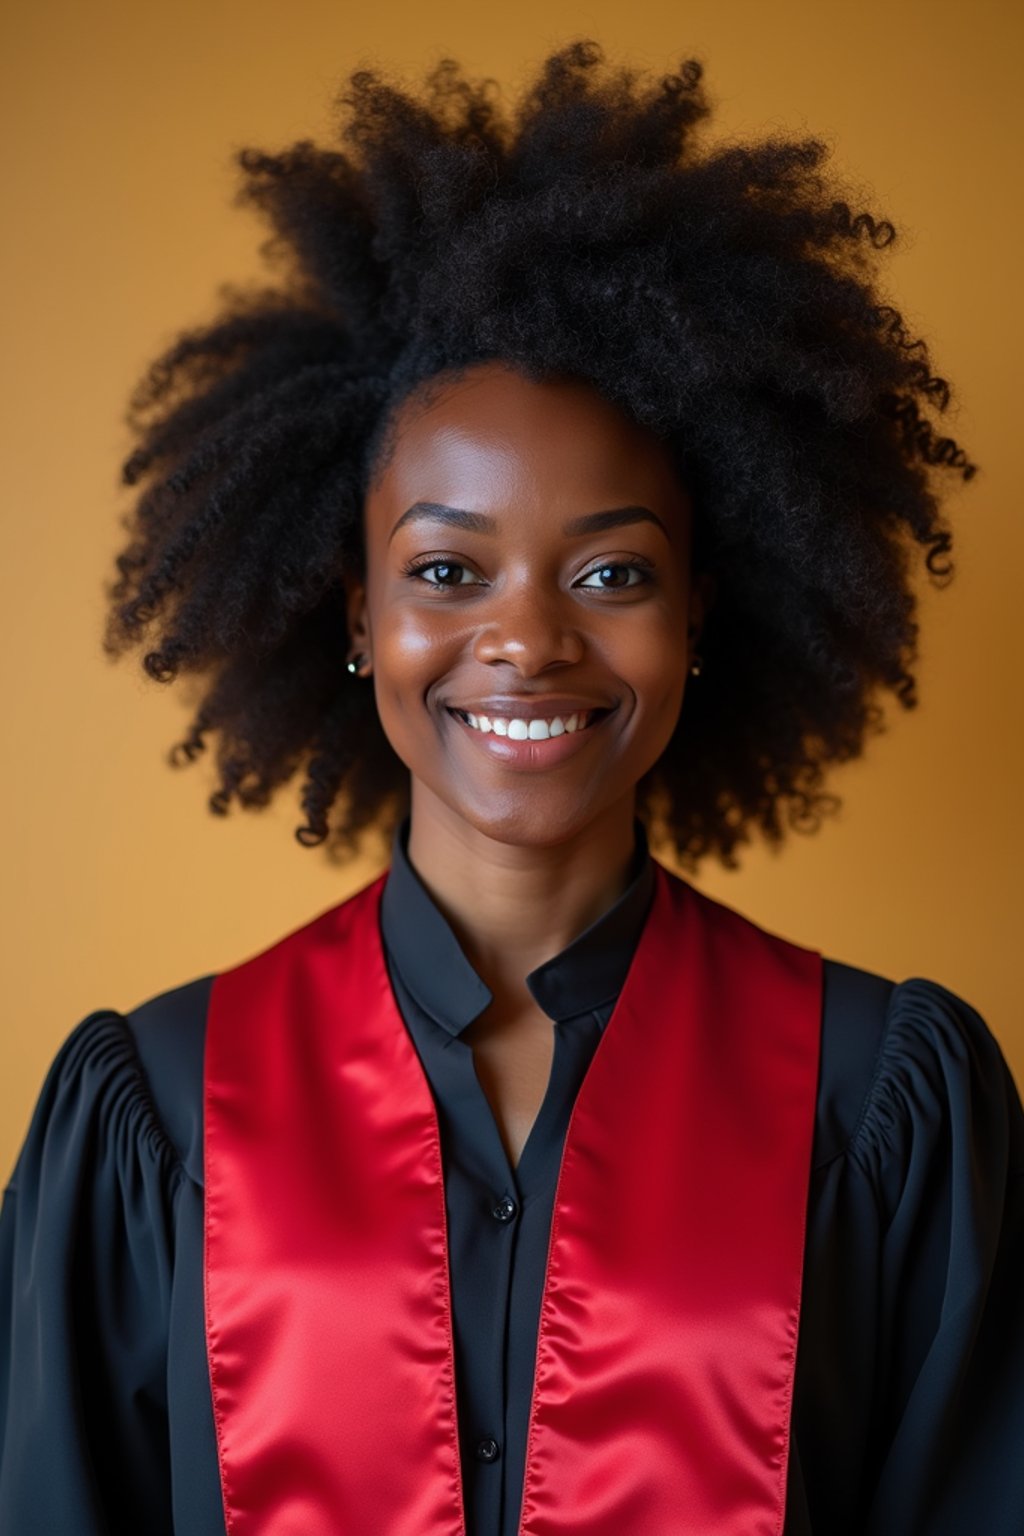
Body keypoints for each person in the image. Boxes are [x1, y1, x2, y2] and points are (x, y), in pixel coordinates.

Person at [1, 37, 1021, 1536]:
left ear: (702, 616)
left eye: (613, 571)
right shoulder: (155, 1113)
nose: (529, 640)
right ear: (358, 616)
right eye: (445, 570)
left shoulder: (880, 1104)